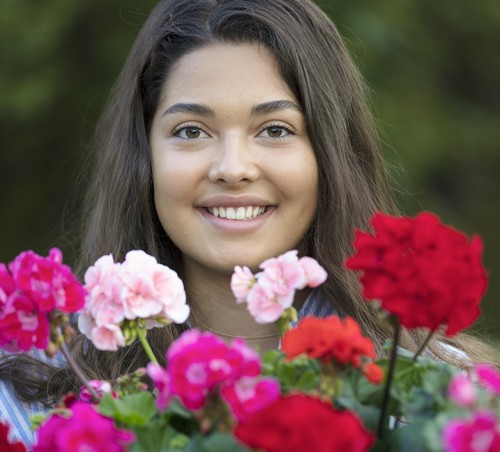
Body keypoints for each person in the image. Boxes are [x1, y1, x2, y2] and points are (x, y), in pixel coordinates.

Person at [1, 0, 498, 446]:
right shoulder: (30, 407)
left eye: (275, 129)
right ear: (143, 157)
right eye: (191, 131)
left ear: (329, 155)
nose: (232, 167)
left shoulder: (454, 403)